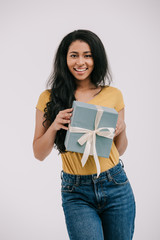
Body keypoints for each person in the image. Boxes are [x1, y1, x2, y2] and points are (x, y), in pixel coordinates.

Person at [33, 29, 136, 240]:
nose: (81, 62)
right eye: (74, 55)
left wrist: (122, 129)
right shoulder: (48, 98)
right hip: (76, 191)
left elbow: (119, 150)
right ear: (65, 59)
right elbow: (38, 153)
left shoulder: (113, 95)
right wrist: (54, 126)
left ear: (96, 58)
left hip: (116, 184)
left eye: (87, 55)